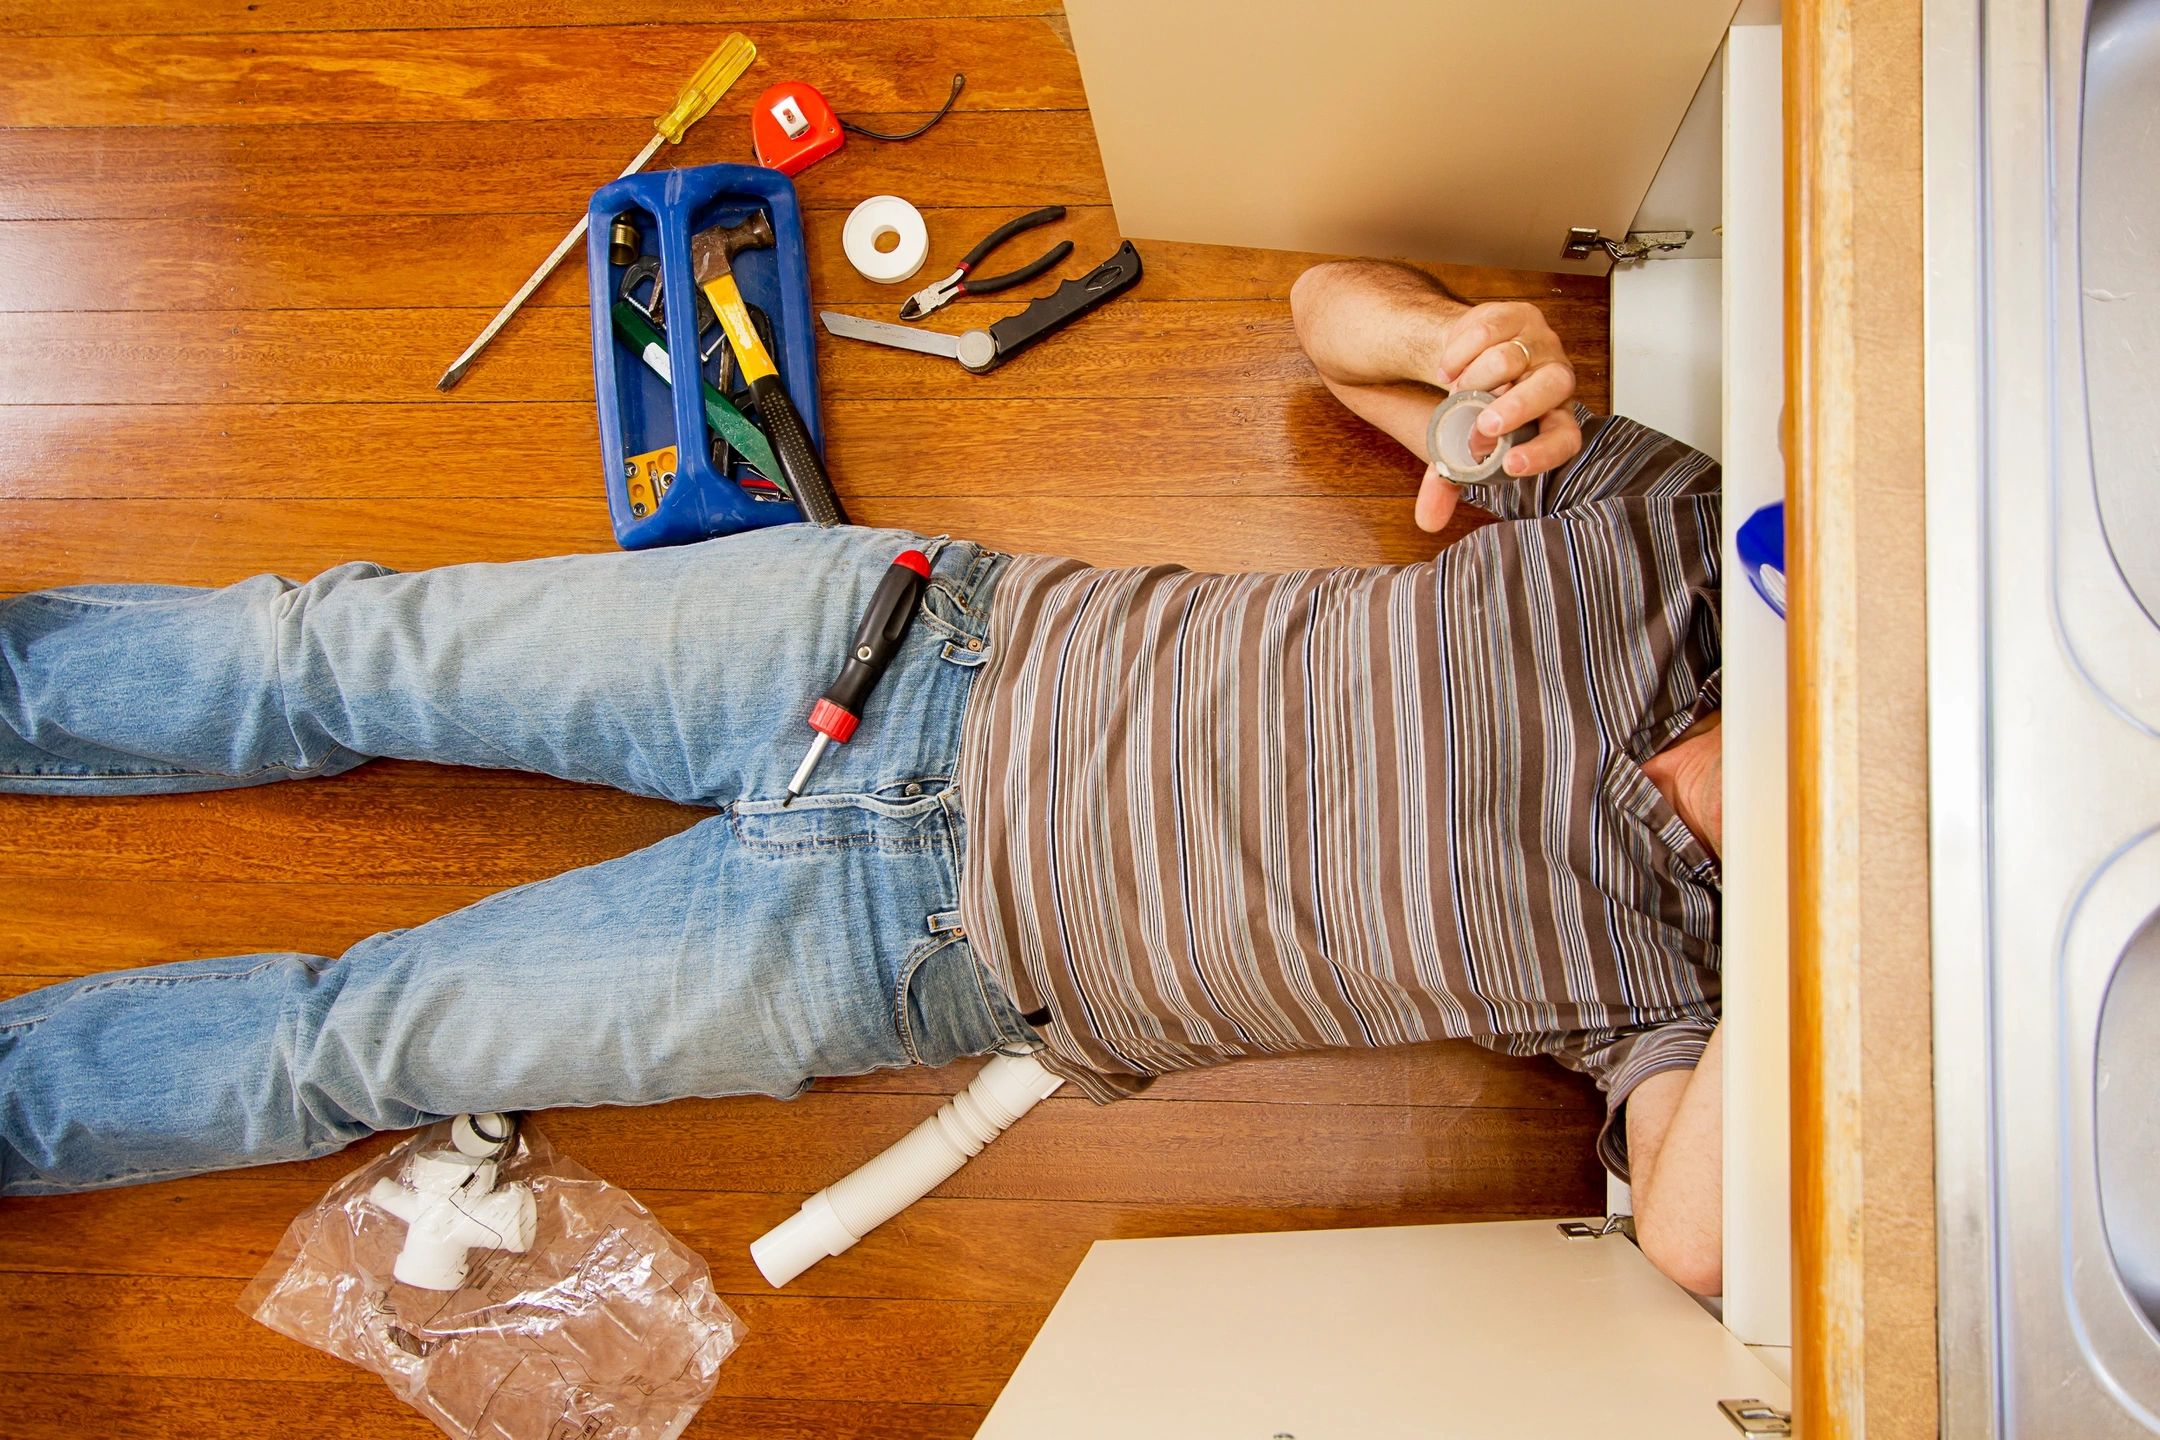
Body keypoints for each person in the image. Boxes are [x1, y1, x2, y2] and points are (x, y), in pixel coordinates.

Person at [0, 259, 1725, 1295]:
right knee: (338, 656)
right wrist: (1448, 357)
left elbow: (1699, 1243)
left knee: (356, 1046)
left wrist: (1833, 923)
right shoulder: (1683, 542)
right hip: (899, 645)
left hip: (891, 953)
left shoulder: (1716, 992)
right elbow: (1324, 310)